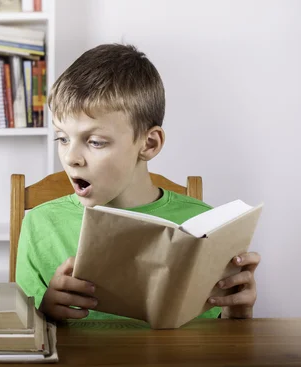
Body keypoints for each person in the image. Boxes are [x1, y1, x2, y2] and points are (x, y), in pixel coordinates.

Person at [15, 44, 260, 321]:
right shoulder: (39, 225)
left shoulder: (205, 226)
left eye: (95, 142)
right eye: (62, 138)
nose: (71, 157)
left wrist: (237, 314)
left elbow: (220, 346)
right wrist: (45, 310)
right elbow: (22, 334)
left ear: (149, 143)